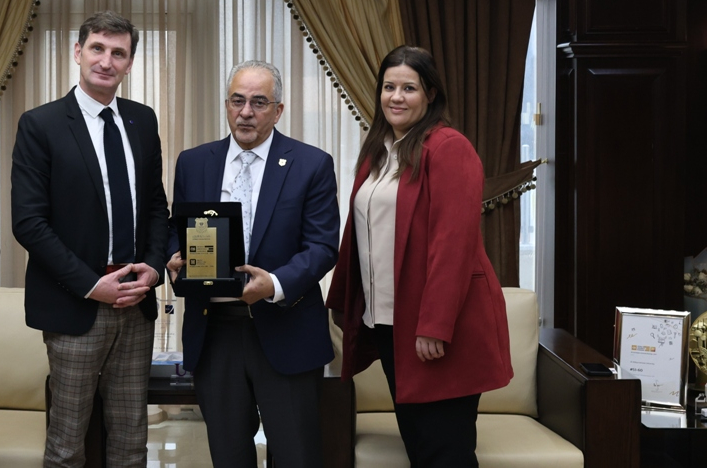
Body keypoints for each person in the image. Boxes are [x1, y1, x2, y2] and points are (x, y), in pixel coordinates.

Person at [326, 45, 513, 468]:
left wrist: (434, 326)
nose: (396, 97)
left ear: (430, 94)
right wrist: (344, 303)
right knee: (420, 447)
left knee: (445, 453)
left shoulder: (449, 147)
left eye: (408, 88)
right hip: (390, 325)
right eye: (388, 87)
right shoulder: (380, 150)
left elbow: (454, 245)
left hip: (437, 333)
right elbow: (358, 234)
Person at [11, 11, 169, 468]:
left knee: (131, 443)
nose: (106, 61)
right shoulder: (40, 125)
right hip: (75, 306)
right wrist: (90, 284)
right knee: (66, 447)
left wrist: (154, 267)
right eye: (97, 48)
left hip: (135, 305)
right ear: (77, 52)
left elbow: (156, 206)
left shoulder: (142, 121)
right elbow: (29, 223)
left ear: (130, 63)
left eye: (118, 53)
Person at [167, 60, 340, 468]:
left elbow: (321, 246)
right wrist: (174, 260)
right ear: (226, 105)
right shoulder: (194, 162)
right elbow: (177, 229)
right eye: (237, 101)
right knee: (228, 456)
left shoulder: (311, 164)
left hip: (286, 329)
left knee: (297, 457)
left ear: (278, 111)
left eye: (259, 102)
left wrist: (274, 285)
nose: (246, 112)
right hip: (215, 334)